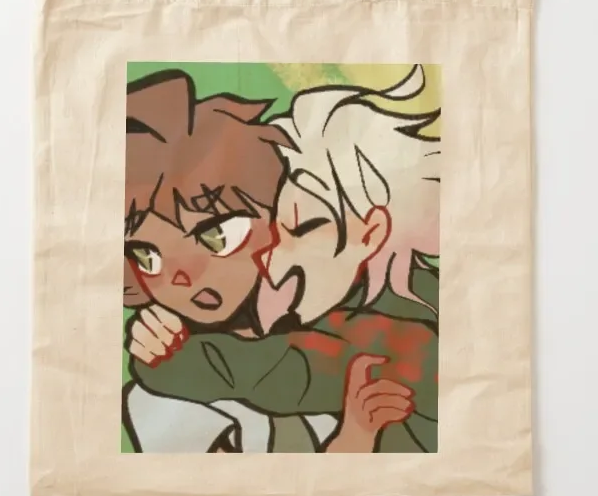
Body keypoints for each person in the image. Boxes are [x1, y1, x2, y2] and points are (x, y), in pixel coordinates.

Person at [127, 67, 440, 453]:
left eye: (302, 231)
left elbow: (273, 369)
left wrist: (165, 356)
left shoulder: (403, 329)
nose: (271, 261)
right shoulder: (307, 302)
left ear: (370, 232)